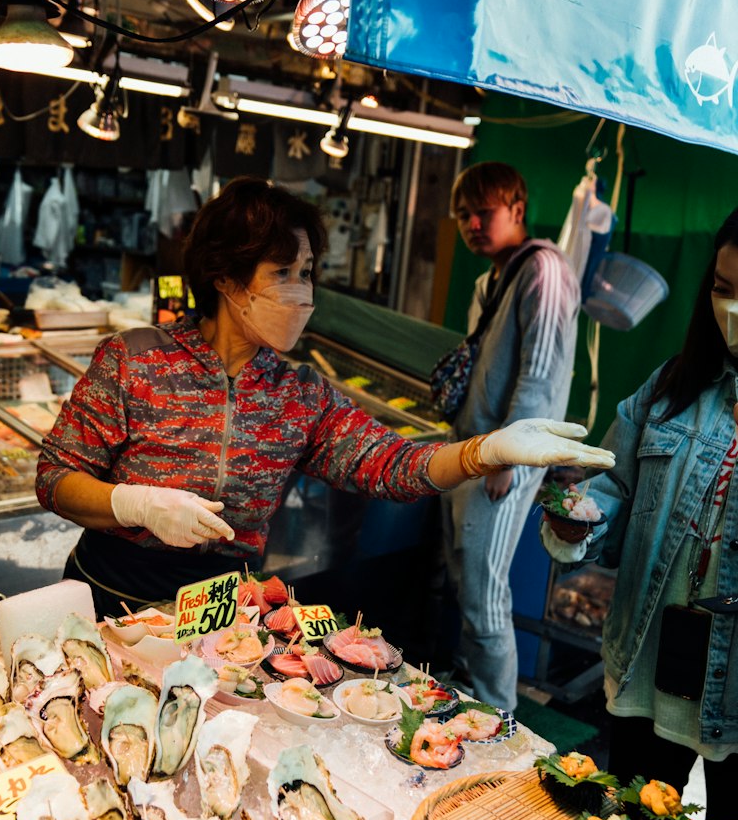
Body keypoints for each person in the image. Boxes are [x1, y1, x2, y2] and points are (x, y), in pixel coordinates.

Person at [36, 177, 613, 620]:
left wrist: (482, 452)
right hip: (108, 597)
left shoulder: (300, 393)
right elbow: (56, 476)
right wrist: (135, 504)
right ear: (226, 278)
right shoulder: (135, 357)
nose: (303, 291)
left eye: (308, 272)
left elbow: (393, 465)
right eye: (283, 271)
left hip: (216, 615)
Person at [542, 208, 738, 820]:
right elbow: (614, 491)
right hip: (648, 670)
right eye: (723, 289)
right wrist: (578, 514)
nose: (731, 311)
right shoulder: (670, 389)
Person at [442, 161, 581, 710]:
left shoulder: (544, 270)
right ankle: (472, 697)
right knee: (465, 583)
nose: (473, 223)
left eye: (485, 212)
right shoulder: (489, 279)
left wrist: (507, 459)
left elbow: (540, 376)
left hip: (505, 459)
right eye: (463, 215)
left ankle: (499, 716)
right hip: (472, 452)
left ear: (517, 211)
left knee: (483, 592)